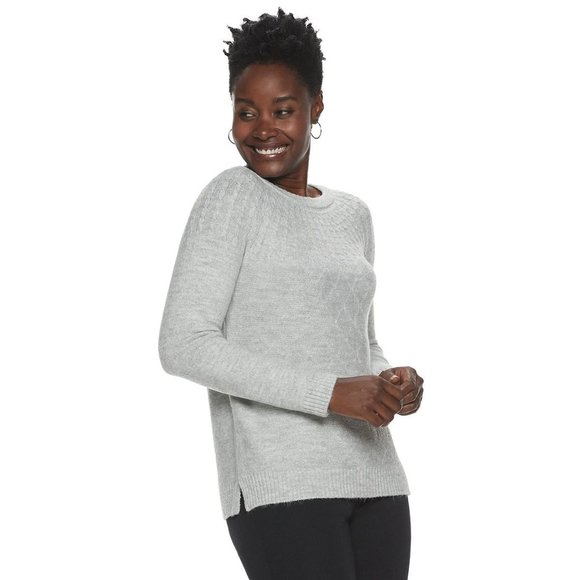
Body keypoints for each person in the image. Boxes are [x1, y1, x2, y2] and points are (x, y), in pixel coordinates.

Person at [158, 7, 424, 580]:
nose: (262, 129)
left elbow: (360, 339)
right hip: (281, 485)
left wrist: (389, 380)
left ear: (316, 108)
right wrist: (330, 393)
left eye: (283, 110)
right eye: (246, 111)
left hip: (375, 474)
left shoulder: (352, 215)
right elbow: (183, 344)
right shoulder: (230, 197)